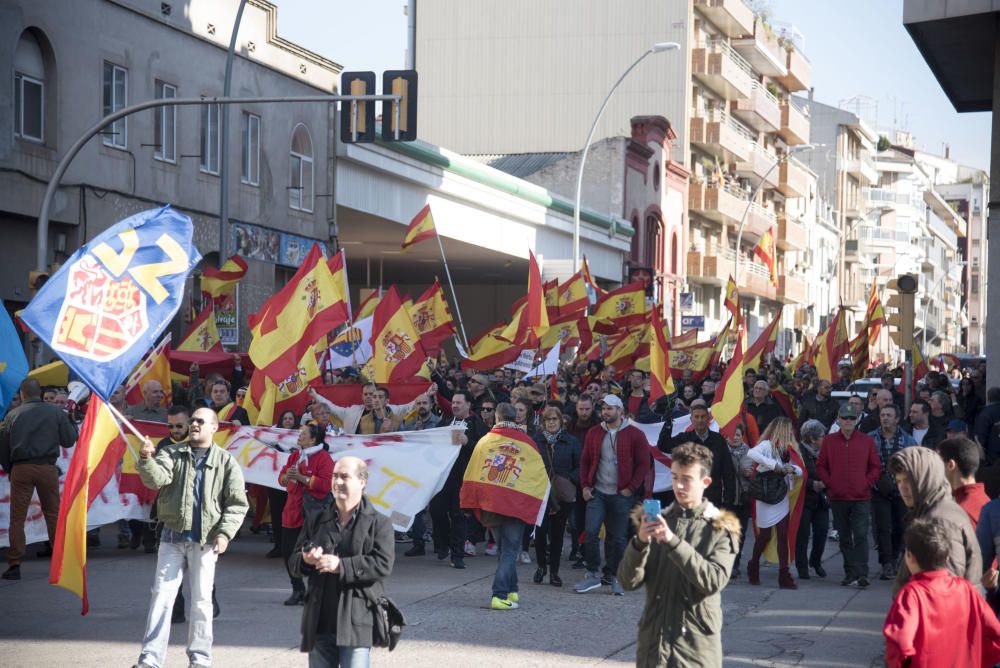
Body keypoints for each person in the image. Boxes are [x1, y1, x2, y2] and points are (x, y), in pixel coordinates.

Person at [132, 407, 249, 668]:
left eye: (200, 421)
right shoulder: (171, 452)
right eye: (192, 421)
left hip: (206, 543)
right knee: (161, 599)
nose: (194, 424)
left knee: (201, 603)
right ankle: (149, 661)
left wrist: (225, 534)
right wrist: (146, 459)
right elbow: (155, 479)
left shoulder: (226, 461)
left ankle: (200, 660)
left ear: (214, 428)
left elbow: (238, 504)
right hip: (171, 539)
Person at [618, 442, 740, 667]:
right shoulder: (657, 521)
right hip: (653, 647)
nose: (679, 485)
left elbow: (713, 581)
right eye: (674, 477)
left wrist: (672, 542)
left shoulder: (721, 528)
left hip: (694, 650)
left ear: (705, 482)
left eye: (687, 479)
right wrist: (640, 543)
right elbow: (627, 582)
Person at [289, 456, 395, 666]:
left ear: (362, 482)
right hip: (320, 622)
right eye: (335, 476)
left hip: (357, 621)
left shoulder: (379, 523)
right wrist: (306, 560)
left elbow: (383, 564)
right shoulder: (317, 519)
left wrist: (341, 566)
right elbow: (293, 562)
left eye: (344, 477)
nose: (337, 482)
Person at [883, 518, 1000, 668]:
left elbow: (899, 642)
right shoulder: (966, 589)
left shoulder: (911, 594)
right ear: (947, 558)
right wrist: (977, 659)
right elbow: (995, 633)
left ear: (909, 557)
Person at [0, 378, 78, 580]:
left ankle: (15, 563)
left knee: (17, 517)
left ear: (23, 394)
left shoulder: (12, 415)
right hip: (47, 468)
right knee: (53, 514)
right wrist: (70, 419)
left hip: (21, 468)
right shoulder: (55, 413)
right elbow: (69, 440)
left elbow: (3, 447)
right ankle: (60, 562)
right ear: (40, 394)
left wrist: (12, 469)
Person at [575, 394, 649, 596]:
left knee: (617, 538)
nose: (605, 412)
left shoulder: (635, 434)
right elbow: (585, 461)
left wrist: (631, 488)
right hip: (597, 492)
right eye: (604, 408)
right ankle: (591, 574)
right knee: (590, 533)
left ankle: (616, 577)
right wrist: (585, 487)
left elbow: (644, 463)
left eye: (610, 408)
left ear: (620, 411)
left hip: (621, 494)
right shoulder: (594, 432)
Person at [888, 445, 982, 597]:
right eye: (898, 481)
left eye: (908, 480)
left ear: (926, 478)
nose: (902, 488)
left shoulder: (940, 521)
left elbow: (946, 594)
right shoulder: (934, 511)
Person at [816, 402, 881, 587]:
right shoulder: (829, 441)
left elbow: (875, 466)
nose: (848, 421)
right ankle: (850, 572)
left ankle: (862, 573)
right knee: (844, 536)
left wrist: (866, 483)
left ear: (857, 419)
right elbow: (821, 465)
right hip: (838, 497)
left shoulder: (866, 441)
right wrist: (830, 483)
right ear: (839, 419)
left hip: (861, 497)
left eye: (852, 418)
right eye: (845, 418)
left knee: (860, 535)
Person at [278, 423, 334, 606]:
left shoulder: (324, 458)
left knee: (312, 553)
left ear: (313, 439)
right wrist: (287, 477)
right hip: (292, 511)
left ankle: (314, 591)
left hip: (312, 514)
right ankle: (297, 589)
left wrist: (303, 478)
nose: (299, 436)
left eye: (303, 434)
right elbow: (281, 478)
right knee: (288, 552)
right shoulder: (295, 455)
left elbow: (326, 485)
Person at [431, 390, 487, 569]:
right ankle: (443, 544)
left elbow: (483, 449)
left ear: (468, 405)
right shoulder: (446, 421)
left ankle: (457, 555)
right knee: (437, 511)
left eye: (459, 403)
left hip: (464, 478)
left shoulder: (477, 424)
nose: (454, 405)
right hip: (444, 476)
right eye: (453, 402)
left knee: (458, 516)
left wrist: (467, 442)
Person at [746, 418, 804, 589]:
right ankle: (754, 564)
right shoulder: (766, 445)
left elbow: (801, 469)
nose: (789, 433)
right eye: (787, 430)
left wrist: (791, 469)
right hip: (765, 496)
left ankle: (784, 574)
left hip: (781, 495)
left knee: (782, 534)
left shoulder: (790, 449)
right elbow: (752, 453)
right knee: (765, 535)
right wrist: (774, 465)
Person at [533, 406, 582, 587]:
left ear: (561, 421)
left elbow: (580, 466)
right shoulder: (536, 440)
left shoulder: (571, 441)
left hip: (561, 493)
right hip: (540, 492)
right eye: (548, 419)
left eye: (554, 419)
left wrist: (569, 479)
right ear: (543, 422)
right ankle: (540, 567)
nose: (551, 422)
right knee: (540, 532)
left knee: (557, 534)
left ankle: (554, 572)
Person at [868, 403, 916, 580]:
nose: (885, 418)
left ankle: (895, 557)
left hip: (902, 491)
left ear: (897, 418)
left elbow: (915, 465)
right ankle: (886, 563)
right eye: (883, 415)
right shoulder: (870, 438)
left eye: (889, 415)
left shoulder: (908, 440)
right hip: (878, 490)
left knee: (900, 527)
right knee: (883, 527)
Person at [669, 400, 736, 510]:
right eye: (696, 417)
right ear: (691, 420)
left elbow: (727, 470)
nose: (700, 420)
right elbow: (663, 445)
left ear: (708, 419)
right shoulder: (684, 438)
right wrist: (668, 424)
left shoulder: (718, 440)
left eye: (703, 416)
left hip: (713, 497)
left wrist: (729, 498)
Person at [401, 393, 443, 557]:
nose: (421, 406)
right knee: (416, 509)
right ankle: (418, 543)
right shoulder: (411, 425)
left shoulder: (439, 424)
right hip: (416, 472)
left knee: (437, 510)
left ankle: (440, 544)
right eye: (418, 403)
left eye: (425, 403)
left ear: (431, 405)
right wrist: (415, 432)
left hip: (434, 471)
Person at [309, 383, 426, 435]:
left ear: (386, 400)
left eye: (373, 394)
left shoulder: (392, 412)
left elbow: (410, 406)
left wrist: (428, 393)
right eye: (366, 394)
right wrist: (315, 396)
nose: (370, 397)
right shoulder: (351, 411)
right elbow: (331, 407)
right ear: (362, 396)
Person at [795, 419, 829, 580]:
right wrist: (811, 484)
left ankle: (815, 561)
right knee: (802, 534)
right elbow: (794, 475)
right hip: (804, 499)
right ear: (812, 438)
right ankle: (802, 566)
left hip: (821, 499)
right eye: (823, 436)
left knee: (822, 532)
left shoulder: (825, 451)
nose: (826, 438)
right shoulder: (798, 452)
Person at [937, 436, 990, 528]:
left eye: (938, 464)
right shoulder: (985, 500)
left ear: (950, 465)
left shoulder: (960, 513)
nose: (936, 470)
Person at [725, 423, 753, 580]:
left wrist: (750, 473)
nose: (734, 438)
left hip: (744, 498)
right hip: (727, 498)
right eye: (731, 435)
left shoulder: (750, 452)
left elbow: (753, 471)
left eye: (737, 435)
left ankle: (735, 563)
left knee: (740, 534)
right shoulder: (722, 451)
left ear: (742, 437)